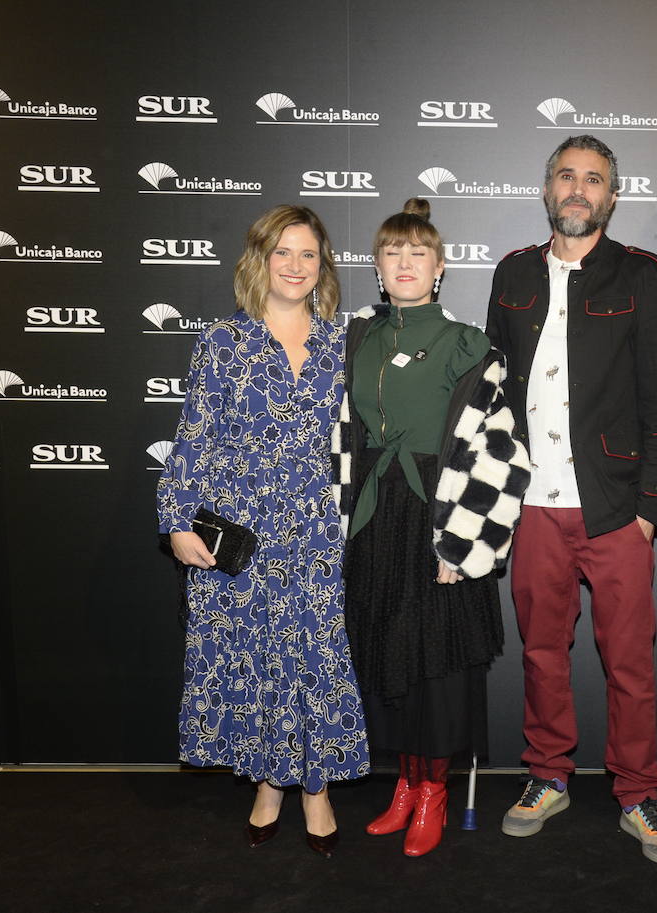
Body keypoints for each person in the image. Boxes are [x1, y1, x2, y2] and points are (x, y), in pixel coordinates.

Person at [486, 136, 657, 864]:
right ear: (547, 189)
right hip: (534, 505)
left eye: (593, 179)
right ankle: (548, 776)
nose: (578, 189)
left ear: (611, 196)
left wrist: (648, 512)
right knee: (542, 652)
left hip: (615, 511)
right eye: (566, 175)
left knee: (630, 661)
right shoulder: (511, 275)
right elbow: (495, 396)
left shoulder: (642, 277)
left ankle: (638, 791)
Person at [157, 204, 368, 857]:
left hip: (319, 536)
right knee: (256, 663)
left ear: (321, 265)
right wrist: (174, 519)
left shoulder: (344, 342)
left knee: (314, 659)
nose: (296, 266)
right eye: (284, 252)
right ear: (260, 259)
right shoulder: (224, 341)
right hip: (243, 535)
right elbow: (193, 438)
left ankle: (316, 788)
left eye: (309, 254)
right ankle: (269, 784)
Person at [333, 199, 530, 858]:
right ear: (378, 266)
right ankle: (404, 787)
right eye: (394, 252)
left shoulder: (469, 342)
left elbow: (499, 453)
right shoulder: (353, 335)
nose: (406, 263)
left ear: (440, 268)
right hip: (373, 518)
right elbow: (337, 435)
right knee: (389, 656)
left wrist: (464, 545)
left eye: (419, 254)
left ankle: (435, 793)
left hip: (440, 519)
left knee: (436, 665)